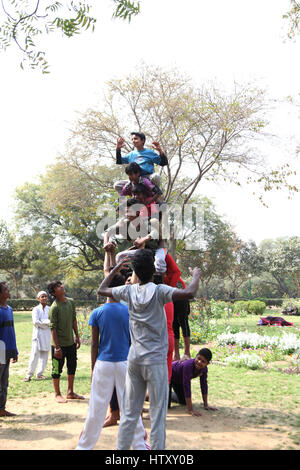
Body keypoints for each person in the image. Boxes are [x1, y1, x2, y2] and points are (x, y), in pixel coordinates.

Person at [98, 249, 201, 450]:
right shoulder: (161, 291)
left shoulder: (128, 291)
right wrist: (196, 275)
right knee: (157, 415)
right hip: (155, 362)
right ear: (154, 269)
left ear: (134, 270)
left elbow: (102, 290)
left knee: (129, 413)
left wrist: (116, 269)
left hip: (135, 360)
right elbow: (189, 292)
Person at [76, 270, 149, 450]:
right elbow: (134, 341)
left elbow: (94, 344)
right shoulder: (130, 311)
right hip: (126, 364)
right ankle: (139, 444)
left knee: (97, 406)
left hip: (103, 363)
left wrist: (93, 368)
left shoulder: (97, 312)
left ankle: (84, 446)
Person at [47, 281, 84, 403]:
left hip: (70, 343)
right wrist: (57, 348)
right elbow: (53, 328)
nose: (61, 287)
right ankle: (57, 394)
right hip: (59, 345)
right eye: (58, 287)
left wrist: (77, 336)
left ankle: (70, 392)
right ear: (53, 293)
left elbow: (73, 319)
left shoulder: (70, 302)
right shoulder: (54, 307)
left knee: (72, 366)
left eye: (61, 285)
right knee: (56, 369)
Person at [170, 348, 218, 416]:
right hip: (169, 376)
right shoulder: (188, 365)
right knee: (166, 405)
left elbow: (204, 385)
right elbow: (187, 386)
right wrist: (190, 410)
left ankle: (167, 395)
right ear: (196, 356)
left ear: (207, 364)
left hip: (179, 381)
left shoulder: (204, 370)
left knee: (183, 402)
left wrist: (206, 405)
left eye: (203, 361)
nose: (199, 362)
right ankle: (152, 395)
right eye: (198, 358)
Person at [24, 291, 51, 382]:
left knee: (45, 355)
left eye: (45, 296)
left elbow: (52, 321)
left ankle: (40, 374)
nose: (44, 298)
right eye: (42, 297)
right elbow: (36, 322)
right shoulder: (35, 309)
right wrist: (47, 323)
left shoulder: (49, 309)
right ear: (38, 299)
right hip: (38, 335)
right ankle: (28, 375)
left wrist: (43, 322)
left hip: (47, 335)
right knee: (34, 355)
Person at [0, 282, 18, 417]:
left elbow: (11, 332)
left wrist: (14, 351)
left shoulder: (9, 309)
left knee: (4, 382)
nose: (8, 291)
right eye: (6, 289)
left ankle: (2, 408)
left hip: (8, 350)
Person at [173, 278, 191, 361]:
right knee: (174, 325)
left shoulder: (173, 271)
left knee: (183, 323)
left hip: (181, 297)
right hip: (170, 298)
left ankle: (187, 353)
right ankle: (176, 354)